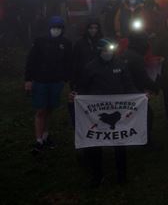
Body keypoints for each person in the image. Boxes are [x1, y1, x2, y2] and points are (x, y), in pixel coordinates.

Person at [72, 38, 137, 187]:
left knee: (120, 142)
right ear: (99, 51)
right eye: (105, 51)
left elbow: (129, 85)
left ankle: (122, 176)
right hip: (97, 114)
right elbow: (82, 87)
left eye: (110, 50)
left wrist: (140, 96)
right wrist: (76, 96)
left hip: (118, 111)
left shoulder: (120, 65)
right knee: (96, 143)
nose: (108, 53)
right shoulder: (90, 67)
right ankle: (97, 176)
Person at [24, 16, 73, 154]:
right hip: (40, 81)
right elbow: (31, 60)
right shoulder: (40, 41)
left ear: (62, 29)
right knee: (41, 110)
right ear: (49, 28)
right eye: (53, 27)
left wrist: (67, 79)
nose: (56, 30)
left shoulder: (66, 43)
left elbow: (69, 62)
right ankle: (38, 140)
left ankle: (46, 135)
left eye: (58, 27)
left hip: (56, 82)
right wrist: (28, 80)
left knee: (50, 109)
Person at [69, 19, 103, 126]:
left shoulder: (102, 42)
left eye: (95, 28)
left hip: (99, 78)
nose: (93, 30)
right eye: (91, 28)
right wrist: (73, 81)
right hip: (83, 78)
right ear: (87, 29)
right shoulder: (80, 43)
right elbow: (74, 62)